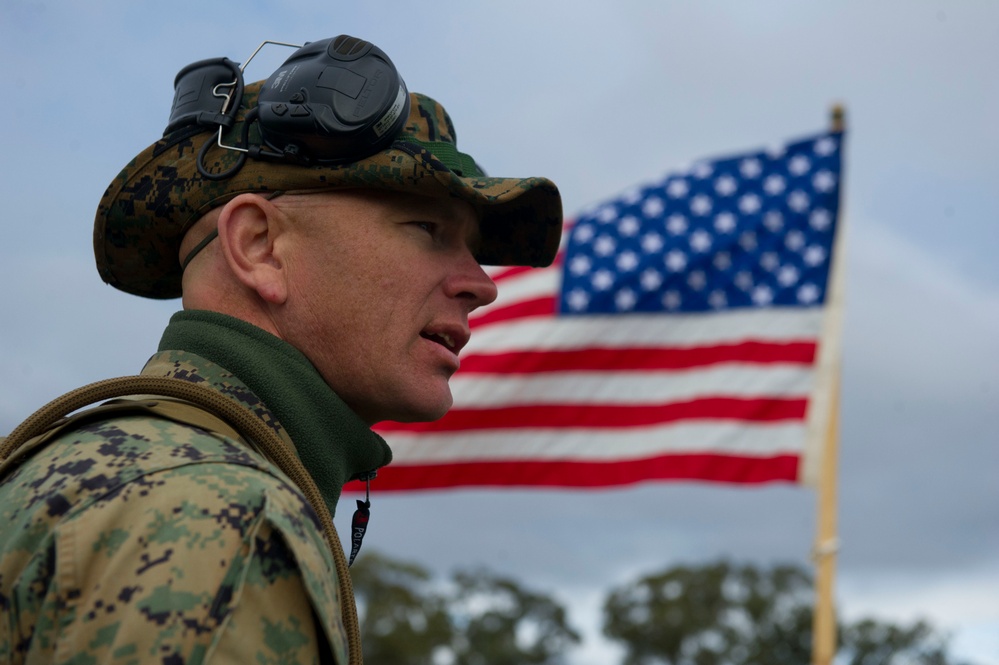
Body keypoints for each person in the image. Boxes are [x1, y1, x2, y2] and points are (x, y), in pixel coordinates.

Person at [0, 36, 561, 664]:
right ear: (260, 246)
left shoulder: (102, 466)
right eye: (427, 229)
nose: (481, 285)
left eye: (473, 247)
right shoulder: (225, 523)